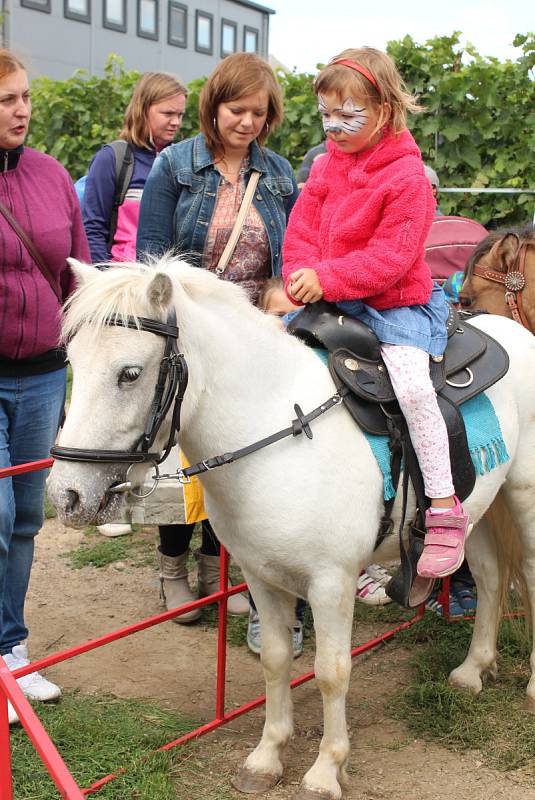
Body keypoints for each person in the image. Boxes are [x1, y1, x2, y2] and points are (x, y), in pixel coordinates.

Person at [282, 47, 471, 582]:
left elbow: (392, 259)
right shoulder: (324, 165)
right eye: (326, 114)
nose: (334, 126)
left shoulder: (409, 178)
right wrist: (300, 270)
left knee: (412, 390)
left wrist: (329, 276)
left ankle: (442, 508)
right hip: (331, 300)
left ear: (384, 110)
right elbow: (300, 229)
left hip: (394, 305)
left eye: (348, 114)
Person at [137, 52, 299, 620]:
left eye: (259, 113)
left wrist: (282, 298)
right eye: (237, 110)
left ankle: (217, 564)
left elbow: (293, 256)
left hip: (255, 338)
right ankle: (171, 567)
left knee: (237, 453)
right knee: (180, 456)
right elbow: (150, 259)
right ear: (214, 106)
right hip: (191, 336)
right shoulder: (174, 166)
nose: (248, 123)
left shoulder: (279, 173)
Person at [0, 49, 91, 724]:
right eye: (6, 100)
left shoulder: (52, 174)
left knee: (27, 519)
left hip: (42, 376)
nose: (22, 109)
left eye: (25, 96)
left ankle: (11, 650)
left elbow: (78, 272)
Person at [80, 71, 188, 538]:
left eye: (181, 115)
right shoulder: (116, 159)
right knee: (109, 394)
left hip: (160, 299)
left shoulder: (179, 162)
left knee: (156, 401)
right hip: (123, 299)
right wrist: (108, 289)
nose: (175, 122)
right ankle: (107, 499)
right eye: (167, 113)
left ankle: (159, 503)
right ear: (143, 109)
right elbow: (93, 225)